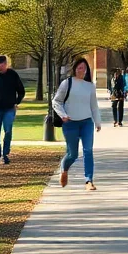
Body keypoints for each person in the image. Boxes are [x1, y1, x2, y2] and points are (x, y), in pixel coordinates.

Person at [53, 57, 102, 191]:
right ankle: (64, 168)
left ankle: (89, 181)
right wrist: (63, 115)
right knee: (72, 154)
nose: (82, 71)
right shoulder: (67, 83)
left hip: (86, 122)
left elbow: (94, 106)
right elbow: (56, 101)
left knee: (88, 150)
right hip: (70, 123)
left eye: (85, 68)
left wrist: (97, 122)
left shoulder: (90, 86)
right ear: (75, 69)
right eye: (80, 68)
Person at [0, 54, 25, 164]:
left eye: (1, 65)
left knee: (7, 130)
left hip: (9, 109)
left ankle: (5, 153)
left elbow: (21, 90)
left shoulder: (13, 75)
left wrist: (17, 102)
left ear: (6, 64)